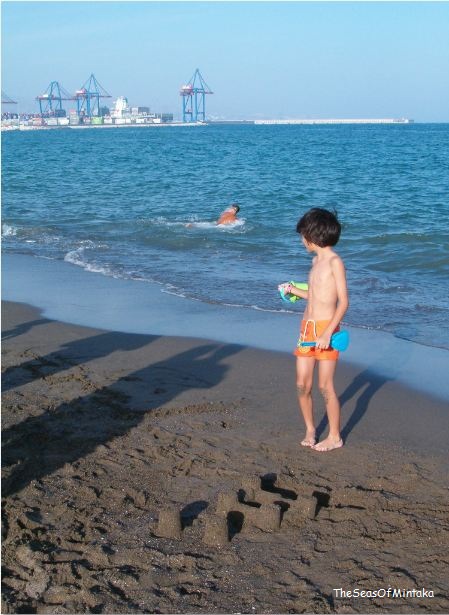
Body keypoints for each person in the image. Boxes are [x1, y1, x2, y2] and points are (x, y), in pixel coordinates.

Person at [279, 208, 349, 452]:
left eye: (303, 235)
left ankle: (335, 436)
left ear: (312, 235)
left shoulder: (335, 262)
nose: (302, 240)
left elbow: (343, 302)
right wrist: (292, 290)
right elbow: (315, 295)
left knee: (324, 386)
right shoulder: (315, 261)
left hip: (326, 329)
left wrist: (328, 332)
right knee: (302, 384)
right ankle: (310, 429)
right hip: (306, 330)